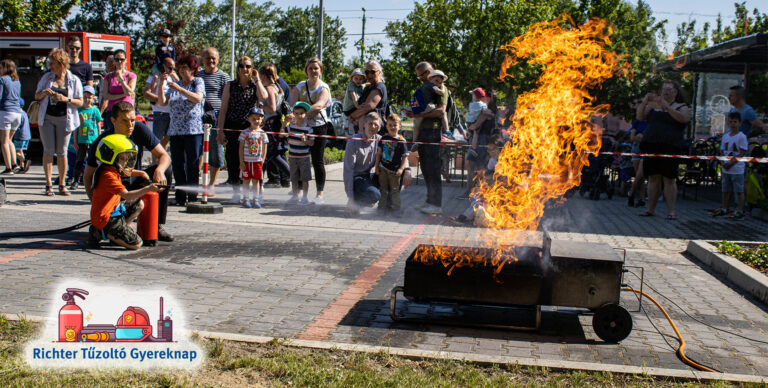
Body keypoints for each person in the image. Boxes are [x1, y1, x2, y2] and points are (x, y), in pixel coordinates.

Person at [85, 101, 174, 241]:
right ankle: (111, 227)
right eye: (125, 121)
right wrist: (96, 205)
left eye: (132, 120)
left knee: (166, 171)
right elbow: (88, 175)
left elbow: (164, 156)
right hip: (114, 189)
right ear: (113, 121)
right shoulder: (103, 141)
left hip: (133, 181)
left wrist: (160, 170)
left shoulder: (139, 129)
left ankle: (156, 225)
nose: (130, 125)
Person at [88, 134, 162, 250]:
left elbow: (125, 171)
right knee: (136, 244)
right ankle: (104, 232)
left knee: (138, 203)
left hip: (113, 210)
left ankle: (119, 232)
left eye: (126, 158)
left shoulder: (110, 168)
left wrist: (141, 173)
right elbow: (127, 196)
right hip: (106, 219)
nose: (125, 161)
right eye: (122, 159)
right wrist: (148, 188)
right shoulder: (108, 175)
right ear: (111, 157)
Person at [637, 80, 691, 220]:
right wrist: (645, 102)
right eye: (664, 89)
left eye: (669, 89)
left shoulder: (681, 107)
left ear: (675, 92)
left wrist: (667, 107)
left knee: (669, 179)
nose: (665, 92)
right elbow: (640, 116)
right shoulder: (654, 107)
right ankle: (650, 209)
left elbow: (684, 119)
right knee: (653, 178)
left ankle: (671, 211)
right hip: (651, 145)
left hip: (670, 146)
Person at [157, 53, 205, 206]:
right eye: (180, 68)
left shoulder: (197, 82)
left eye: (185, 68)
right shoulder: (174, 85)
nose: (182, 71)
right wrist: (161, 84)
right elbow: (162, 102)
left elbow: (198, 98)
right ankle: (180, 196)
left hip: (193, 130)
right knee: (177, 164)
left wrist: (180, 88)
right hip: (175, 131)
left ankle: (192, 197)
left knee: (192, 164)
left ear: (193, 69)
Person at [217, 56, 267, 204]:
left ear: (252, 69)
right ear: (237, 68)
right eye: (241, 66)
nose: (244, 69)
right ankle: (236, 192)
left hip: (249, 128)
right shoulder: (230, 85)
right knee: (233, 159)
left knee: (253, 159)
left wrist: (257, 80)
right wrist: (220, 131)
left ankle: (255, 192)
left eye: (248, 66)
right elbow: (223, 109)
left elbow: (264, 97)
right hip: (232, 126)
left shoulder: (254, 86)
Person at [35, 48, 84, 196]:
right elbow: (36, 96)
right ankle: (48, 184)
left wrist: (65, 99)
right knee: (48, 151)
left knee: (62, 152)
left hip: (65, 118)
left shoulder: (73, 80)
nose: (50, 66)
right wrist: (44, 93)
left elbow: (80, 101)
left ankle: (62, 184)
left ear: (61, 63)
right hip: (47, 117)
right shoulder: (47, 78)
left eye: (52, 63)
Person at [406, 61, 447, 215]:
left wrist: (418, 114)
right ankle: (430, 201)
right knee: (425, 168)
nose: (421, 78)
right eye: (419, 76)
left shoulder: (441, 88)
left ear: (429, 72)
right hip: (424, 131)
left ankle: (436, 204)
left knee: (433, 169)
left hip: (433, 132)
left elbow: (441, 111)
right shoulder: (426, 88)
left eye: (422, 75)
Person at [288, 57, 332, 204]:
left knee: (317, 160)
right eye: (310, 68)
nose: (313, 71)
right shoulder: (300, 86)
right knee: (299, 158)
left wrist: (301, 114)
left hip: (318, 126)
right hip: (300, 127)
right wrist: (295, 117)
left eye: (316, 68)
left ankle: (319, 193)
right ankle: (299, 192)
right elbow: (292, 105)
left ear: (321, 70)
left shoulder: (323, 87)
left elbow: (319, 105)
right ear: (306, 70)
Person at [452, 134, 505, 225]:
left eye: (493, 149)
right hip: (494, 191)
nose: (490, 152)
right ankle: (473, 215)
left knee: (479, 203)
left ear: (500, 149)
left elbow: (503, 180)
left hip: (504, 195)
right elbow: (488, 174)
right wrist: (483, 176)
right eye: (489, 149)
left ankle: (465, 217)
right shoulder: (492, 160)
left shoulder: (507, 161)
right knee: (476, 197)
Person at [197, 47, 230, 192]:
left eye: (213, 58)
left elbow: (227, 98)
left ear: (218, 59)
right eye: (208, 58)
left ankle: (211, 184)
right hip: (199, 118)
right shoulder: (198, 75)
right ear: (203, 59)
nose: (211, 61)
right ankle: (197, 180)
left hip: (216, 118)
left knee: (215, 151)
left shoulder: (223, 76)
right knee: (198, 150)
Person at [710, 112, 749, 220]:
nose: (732, 124)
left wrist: (731, 163)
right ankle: (724, 207)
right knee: (725, 190)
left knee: (739, 190)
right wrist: (723, 163)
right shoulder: (726, 136)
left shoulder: (741, 137)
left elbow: (742, 153)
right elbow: (722, 151)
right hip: (726, 168)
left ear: (739, 123)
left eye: (735, 122)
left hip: (737, 169)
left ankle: (740, 210)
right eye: (731, 122)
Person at [344, 112, 383, 215]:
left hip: (368, 176)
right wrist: (350, 197)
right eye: (370, 123)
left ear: (379, 128)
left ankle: (388, 206)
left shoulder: (380, 140)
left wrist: (407, 170)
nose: (373, 127)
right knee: (375, 194)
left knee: (396, 174)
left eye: (376, 125)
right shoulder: (353, 141)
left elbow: (397, 153)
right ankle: (355, 204)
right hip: (356, 177)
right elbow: (348, 170)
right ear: (364, 124)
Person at [258, 63, 290, 188]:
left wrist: (261, 107)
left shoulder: (270, 88)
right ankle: (259, 182)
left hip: (272, 123)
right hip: (276, 122)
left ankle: (293, 176)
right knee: (271, 154)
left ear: (264, 76)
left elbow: (272, 108)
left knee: (273, 154)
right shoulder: (278, 87)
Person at [375, 114, 409, 216]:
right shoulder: (384, 138)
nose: (392, 127)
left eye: (395, 125)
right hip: (383, 169)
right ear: (386, 126)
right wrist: (376, 166)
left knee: (395, 191)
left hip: (395, 171)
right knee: (383, 190)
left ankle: (396, 209)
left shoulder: (401, 140)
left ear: (399, 126)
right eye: (390, 125)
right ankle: (381, 208)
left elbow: (405, 157)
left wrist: (401, 169)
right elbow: (379, 154)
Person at [71, 85, 102, 190]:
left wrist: (99, 139)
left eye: (89, 97)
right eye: (84, 97)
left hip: (93, 140)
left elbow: (98, 125)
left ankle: (93, 180)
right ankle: (75, 180)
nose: (87, 99)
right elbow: (76, 127)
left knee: (93, 161)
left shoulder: (95, 110)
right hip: (82, 140)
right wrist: (75, 141)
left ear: (93, 98)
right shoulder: (78, 110)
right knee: (79, 160)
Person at [282, 102, 314, 205]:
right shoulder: (291, 126)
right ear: (293, 114)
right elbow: (282, 134)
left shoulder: (309, 128)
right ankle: (295, 196)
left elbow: (312, 143)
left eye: (301, 113)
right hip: (292, 156)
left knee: (305, 179)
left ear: (306, 114)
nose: (299, 115)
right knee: (294, 178)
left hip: (304, 157)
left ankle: (305, 198)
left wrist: (306, 141)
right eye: (296, 113)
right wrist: (285, 122)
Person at [144, 57, 178, 150]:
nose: (172, 71)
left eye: (173, 68)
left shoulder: (172, 78)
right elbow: (146, 94)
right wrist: (162, 100)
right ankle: (156, 158)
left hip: (172, 113)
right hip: (160, 112)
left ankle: (163, 157)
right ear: (163, 66)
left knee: (166, 140)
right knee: (156, 142)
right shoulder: (153, 77)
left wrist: (175, 78)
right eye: (170, 68)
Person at [239, 107, 268, 208]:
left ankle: (256, 199)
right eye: (253, 118)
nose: (256, 121)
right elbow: (241, 148)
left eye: (258, 118)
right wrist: (241, 161)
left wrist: (262, 159)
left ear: (261, 119)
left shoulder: (263, 133)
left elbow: (264, 147)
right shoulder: (244, 132)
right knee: (246, 180)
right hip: (246, 161)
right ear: (248, 119)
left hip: (257, 161)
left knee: (256, 181)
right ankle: (246, 199)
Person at [347, 60, 388, 132]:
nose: (369, 75)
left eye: (372, 72)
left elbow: (368, 106)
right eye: (367, 72)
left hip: (373, 129)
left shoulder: (379, 86)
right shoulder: (368, 87)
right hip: (363, 129)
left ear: (379, 72)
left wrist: (352, 116)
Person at [101, 49, 136, 131]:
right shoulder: (108, 77)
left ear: (126, 60)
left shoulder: (131, 76)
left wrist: (121, 79)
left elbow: (129, 92)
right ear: (114, 61)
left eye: (122, 59)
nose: (119, 62)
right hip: (112, 112)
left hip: (126, 112)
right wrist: (122, 95)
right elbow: (105, 95)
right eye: (117, 59)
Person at [0, 59, 23, 174]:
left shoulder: (2, 79)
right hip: (17, 113)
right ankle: (15, 164)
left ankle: (8, 168)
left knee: (4, 141)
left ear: (5, 68)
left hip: (5, 112)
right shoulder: (17, 81)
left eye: (0, 67)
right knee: (9, 140)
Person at [627, 119, 648, 207]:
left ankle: (631, 193)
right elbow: (632, 138)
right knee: (639, 176)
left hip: (647, 148)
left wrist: (641, 137)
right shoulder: (637, 121)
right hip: (637, 147)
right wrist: (639, 137)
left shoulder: (652, 120)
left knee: (640, 174)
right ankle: (641, 199)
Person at [466, 87, 488, 158]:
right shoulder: (483, 105)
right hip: (475, 121)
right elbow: (485, 111)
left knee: (470, 132)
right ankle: (474, 148)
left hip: (469, 121)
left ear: (475, 96)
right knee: (476, 134)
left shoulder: (471, 104)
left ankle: (469, 141)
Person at [343, 68, 365, 134]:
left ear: (363, 80)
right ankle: (355, 123)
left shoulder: (360, 86)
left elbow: (365, 84)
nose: (358, 80)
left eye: (360, 79)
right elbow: (353, 96)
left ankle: (357, 127)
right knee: (360, 115)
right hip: (348, 109)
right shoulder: (351, 84)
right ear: (352, 79)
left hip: (354, 108)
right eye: (356, 78)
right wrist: (357, 106)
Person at [427, 70, 450, 135]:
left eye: (440, 82)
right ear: (431, 79)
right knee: (443, 113)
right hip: (428, 106)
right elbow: (441, 92)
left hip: (431, 106)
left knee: (443, 113)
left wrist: (441, 85)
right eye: (436, 80)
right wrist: (442, 86)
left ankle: (446, 131)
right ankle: (447, 130)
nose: (438, 83)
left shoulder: (430, 85)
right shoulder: (432, 86)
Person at [11, 98, 31, 173]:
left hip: (20, 136)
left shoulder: (18, 115)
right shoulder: (24, 113)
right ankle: (22, 166)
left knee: (15, 151)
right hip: (26, 136)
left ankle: (24, 160)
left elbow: (17, 126)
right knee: (20, 150)